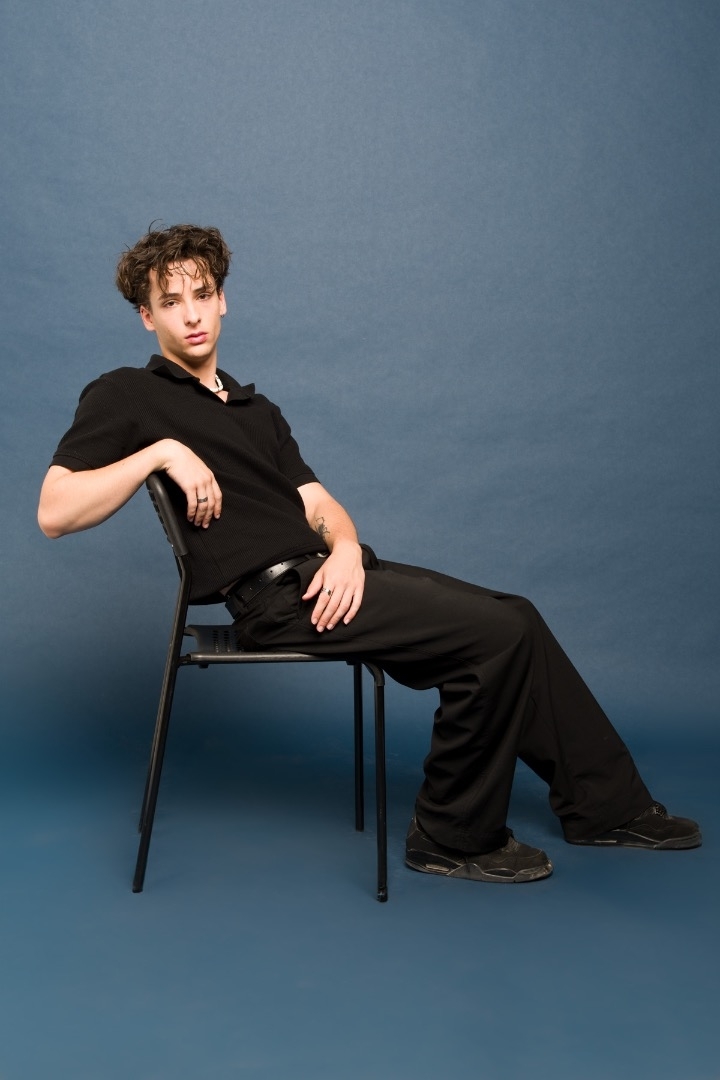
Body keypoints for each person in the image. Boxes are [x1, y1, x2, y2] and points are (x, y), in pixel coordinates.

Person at [38, 223, 701, 884]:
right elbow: (55, 511)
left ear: (223, 300)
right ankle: (450, 836)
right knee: (498, 635)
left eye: (203, 295)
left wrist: (348, 549)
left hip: (330, 575)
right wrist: (161, 452)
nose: (191, 315)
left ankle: (606, 808)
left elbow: (318, 503)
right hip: (277, 600)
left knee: (517, 617)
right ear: (146, 316)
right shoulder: (127, 393)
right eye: (171, 302)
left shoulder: (256, 409)